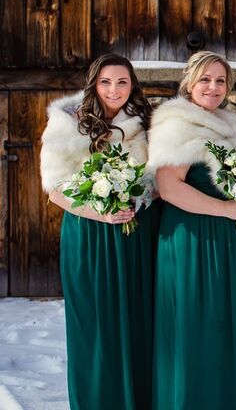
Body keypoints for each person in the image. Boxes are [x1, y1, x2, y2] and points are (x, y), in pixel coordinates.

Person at [147, 51, 236, 409]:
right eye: (205, 79)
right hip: (196, 241)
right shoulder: (179, 125)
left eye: (220, 81)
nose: (213, 87)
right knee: (199, 329)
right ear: (189, 83)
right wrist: (227, 209)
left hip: (233, 241)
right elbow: (169, 188)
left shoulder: (233, 128)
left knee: (227, 327)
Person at [40, 53, 157, 409]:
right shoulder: (67, 123)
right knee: (94, 325)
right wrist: (100, 214)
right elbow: (55, 189)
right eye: (106, 82)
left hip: (136, 234)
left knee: (137, 321)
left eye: (122, 82)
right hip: (89, 235)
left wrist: (138, 199)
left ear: (133, 85)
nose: (114, 90)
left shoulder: (146, 123)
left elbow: (157, 180)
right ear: (93, 84)